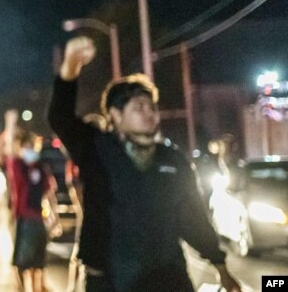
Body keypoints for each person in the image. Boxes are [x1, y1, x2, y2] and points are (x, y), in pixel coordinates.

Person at [48, 36, 241, 292]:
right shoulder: (97, 150)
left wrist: (220, 266)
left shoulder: (172, 160)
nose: (150, 113)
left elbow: (192, 217)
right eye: (139, 107)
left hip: (167, 277)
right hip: (110, 280)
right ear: (116, 115)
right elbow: (60, 117)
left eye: (152, 107)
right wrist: (70, 66)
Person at [0, 110, 56, 292]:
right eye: (27, 146)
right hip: (23, 218)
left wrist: (53, 217)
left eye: (33, 146)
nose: (30, 150)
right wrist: (10, 124)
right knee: (22, 261)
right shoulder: (18, 167)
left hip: (38, 218)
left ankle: (39, 287)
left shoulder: (41, 168)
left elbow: (49, 193)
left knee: (39, 261)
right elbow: (8, 150)